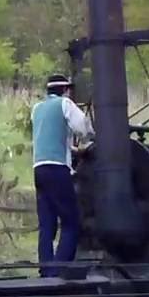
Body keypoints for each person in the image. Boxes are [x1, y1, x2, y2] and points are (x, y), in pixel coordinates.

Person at [31, 74, 93, 277]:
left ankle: (46, 270)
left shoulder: (37, 109)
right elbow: (83, 128)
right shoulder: (65, 104)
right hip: (57, 169)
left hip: (39, 169)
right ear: (66, 89)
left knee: (46, 224)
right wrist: (92, 138)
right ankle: (59, 271)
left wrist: (73, 151)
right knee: (71, 222)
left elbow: (51, 138)